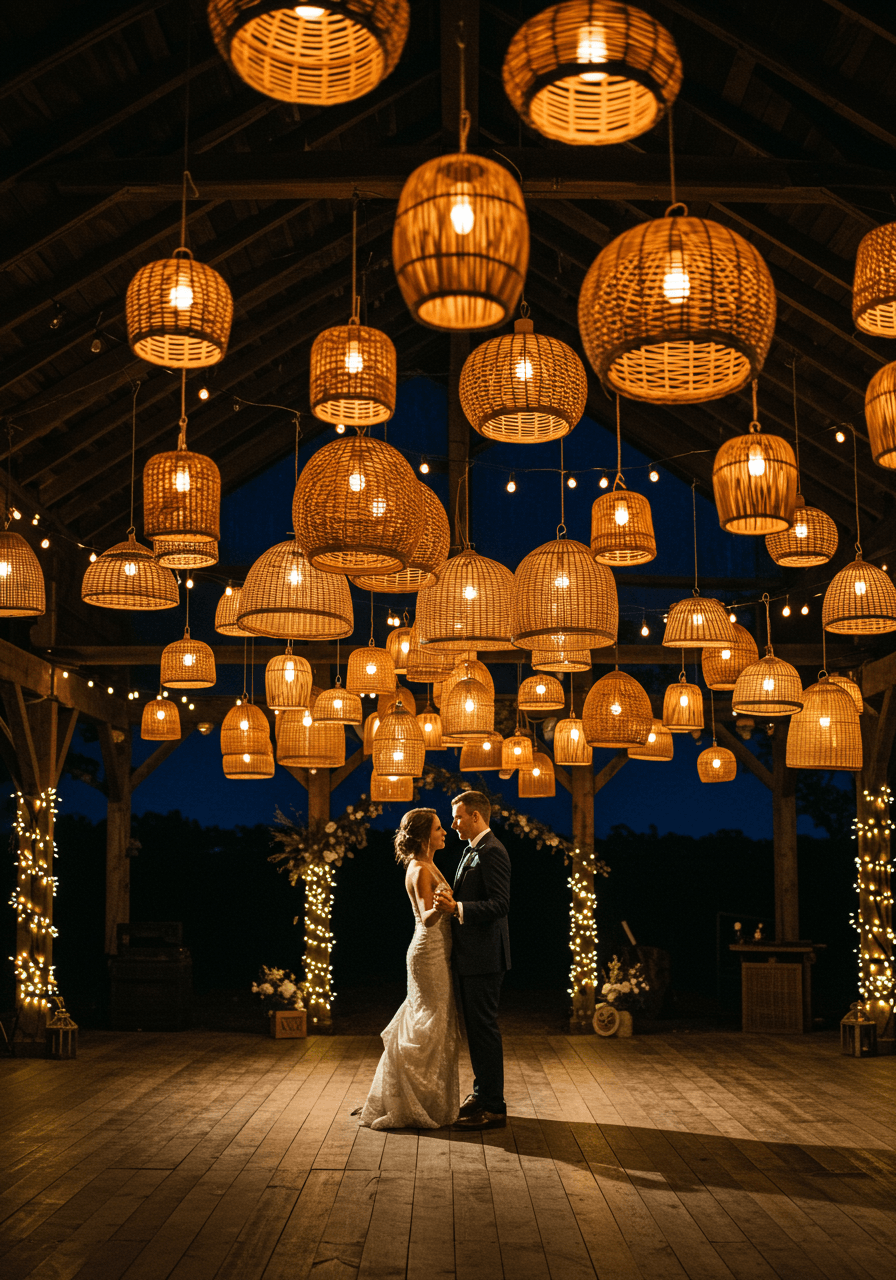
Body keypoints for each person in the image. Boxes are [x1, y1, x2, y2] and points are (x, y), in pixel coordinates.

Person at [358, 808, 460, 1130]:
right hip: (427, 953)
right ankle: (404, 1101)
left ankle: (422, 1098)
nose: (444, 832)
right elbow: (426, 917)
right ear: (423, 835)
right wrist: (445, 906)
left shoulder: (429, 863)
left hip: (436, 953)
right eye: (439, 828)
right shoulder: (419, 869)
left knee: (432, 1020)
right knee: (427, 1024)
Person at [433, 790, 510, 1131]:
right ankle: (481, 1094)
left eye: (458, 817)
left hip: (486, 957)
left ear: (476, 816)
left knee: (484, 1031)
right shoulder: (471, 851)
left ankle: (494, 1108)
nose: (453, 824)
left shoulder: (492, 851)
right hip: (473, 957)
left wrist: (458, 909)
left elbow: (500, 905)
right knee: (476, 1032)